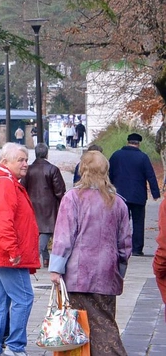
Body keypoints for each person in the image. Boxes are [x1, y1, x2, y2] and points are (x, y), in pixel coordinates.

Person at [49, 150, 132, 356]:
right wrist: (119, 269)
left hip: (78, 275)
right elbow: (125, 244)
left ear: (83, 169)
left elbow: (63, 237)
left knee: (82, 328)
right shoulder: (118, 202)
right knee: (105, 321)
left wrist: (56, 269)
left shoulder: (73, 198)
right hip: (106, 273)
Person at [0, 143, 39, 356]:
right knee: (23, 298)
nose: (25, 164)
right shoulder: (5, 183)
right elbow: (3, 221)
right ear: (5, 162)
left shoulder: (1, 181)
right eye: (20, 160)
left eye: (26, 159)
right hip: (7, 254)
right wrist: (13, 250)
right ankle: (15, 347)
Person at [108, 132, 160, 256]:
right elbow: (150, 175)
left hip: (120, 195)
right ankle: (137, 249)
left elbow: (109, 173)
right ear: (138, 144)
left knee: (120, 221)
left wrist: (107, 189)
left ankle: (119, 246)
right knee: (138, 222)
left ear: (128, 142)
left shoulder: (116, 155)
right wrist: (155, 193)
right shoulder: (143, 157)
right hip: (138, 195)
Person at [23, 142, 66, 266]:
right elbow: (60, 191)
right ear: (47, 154)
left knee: (38, 232)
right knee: (46, 232)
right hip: (49, 206)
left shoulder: (28, 169)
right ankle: (42, 257)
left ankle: (45, 257)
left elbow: (22, 187)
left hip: (32, 204)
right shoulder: (52, 169)